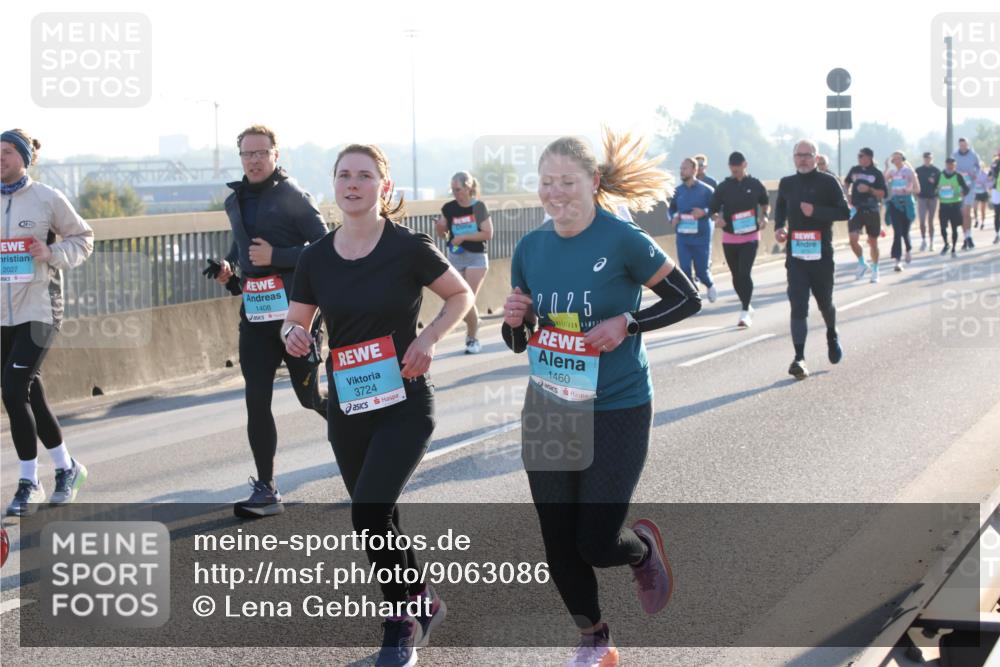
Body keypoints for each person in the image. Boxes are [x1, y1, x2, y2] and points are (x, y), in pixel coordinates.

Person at [503, 129, 701, 667]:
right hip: (550, 405)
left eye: (567, 181)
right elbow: (520, 339)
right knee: (557, 541)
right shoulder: (530, 247)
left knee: (594, 541)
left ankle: (641, 548)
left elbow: (687, 298)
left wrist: (627, 322)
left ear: (593, 182)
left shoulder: (622, 239)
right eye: (547, 182)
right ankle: (595, 639)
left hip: (617, 403)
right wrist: (516, 320)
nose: (555, 192)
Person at [284, 144, 473, 667]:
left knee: (367, 512)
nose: (353, 183)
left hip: (405, 401)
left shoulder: (407, 247)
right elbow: (296, 320)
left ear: (383, 187)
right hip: (348, 405)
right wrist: (291, 335)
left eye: (364, 176)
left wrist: (428, 339)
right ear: (334, 184)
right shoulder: (315, 257)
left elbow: (460, 296)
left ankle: (400, 623)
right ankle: (421, 600)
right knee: (379, 517)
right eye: (344, 175)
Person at [214, 125, 329, 518]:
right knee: (256, 399)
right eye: (247, 154)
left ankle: (361, 436)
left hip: (296, 316)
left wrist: (277, 256)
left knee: (309, 398)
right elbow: (243, 248)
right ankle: (266, 489)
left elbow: (325, 248)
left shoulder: (293, 195)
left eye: (261, 153)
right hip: (256, 318)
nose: (254, 160)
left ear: (275, 155)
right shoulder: (234, 201)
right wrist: (229, 267)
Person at [1, 129, 94, 515]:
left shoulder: (46, 198)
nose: (0, 157)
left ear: (24, 158)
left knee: (12, 389)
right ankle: (67, 467)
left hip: (41, 309)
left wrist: (50, 252)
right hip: (3, 314)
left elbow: (84, 238)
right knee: (29, 393)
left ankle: (30, 482)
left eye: (8, 151)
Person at [774, 139, 851, 380]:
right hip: (796, 256)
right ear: (793, 158)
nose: (803, 159)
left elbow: (845, 212)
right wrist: (779, 228)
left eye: (808, 155)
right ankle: (799, 358)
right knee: (798, 305)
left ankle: (832, 333)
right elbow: (780, 209)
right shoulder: (787, 183)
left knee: (824, 302)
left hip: (821, 256)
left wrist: (816, 211)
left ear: (816, 158)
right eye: (799, 155)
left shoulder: (828, 182)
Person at [434, 171, 494, 354]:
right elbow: (444, 235)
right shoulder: (449, 208)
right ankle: (475, 323)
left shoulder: (479, 207)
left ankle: (472, 338)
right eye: (452, 190)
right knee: (458, 299)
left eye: (458, 189)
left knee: (466, 299)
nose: (455, 193)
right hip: (456, 256)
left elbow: (488, 233)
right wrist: (440, 228)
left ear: (468, 187)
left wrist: (463, 236)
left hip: (476, 257)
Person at [708, 151, 770, 327]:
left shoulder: (755, 184)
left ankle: (744, 311)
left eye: (738, 167)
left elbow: (765, 203)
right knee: (736, 276)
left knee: (744, 272)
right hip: (730, 237)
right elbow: (712, 209)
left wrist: (765, 216)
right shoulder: (724, 186)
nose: (735, 170)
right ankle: (747, 304)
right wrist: (717, 219)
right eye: (732, 168)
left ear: (745, 165)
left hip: (750, 235)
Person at [669, 157, 717, 302]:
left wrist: (704, 212)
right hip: (683, 237)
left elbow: (716, 208)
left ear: (694, 170)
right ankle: (694, 299)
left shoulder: (707, 190)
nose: (681, 171)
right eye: (681, 169)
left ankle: (710, 285)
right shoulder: (677, 191)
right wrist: (673, 217)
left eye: (685, 168)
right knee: (684, 270)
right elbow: (671, 209)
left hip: (701, 237)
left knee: (702, 271)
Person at [844, 147, 886, 283]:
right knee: (852, 239)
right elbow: (846, 182)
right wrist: (847, 194)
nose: (859, 158)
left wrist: (869, 189)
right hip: (856, 209)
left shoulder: (877, 173)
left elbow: (883, 193)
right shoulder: (854, 170)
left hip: (871, 209)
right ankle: (862, 262)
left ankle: (875, 269)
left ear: (869, 157)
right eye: (858, 156)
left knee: (873, 242)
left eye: (861, 156)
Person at [883, 151, 920, 272]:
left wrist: (909, 190)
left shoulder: (909, 172)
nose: (897, 161)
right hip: (895, 203)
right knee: (897, 232)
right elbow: (882, 182)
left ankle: (908, 249)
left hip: (907, 203)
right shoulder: (892, 172)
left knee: (905, 232)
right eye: (894, 159)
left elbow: (917, 189)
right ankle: (897, 260)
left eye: (899, 158)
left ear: (903, 159)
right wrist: (886, 167)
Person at [936, 157, 970, 258]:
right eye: (948, 164)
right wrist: (937, 193)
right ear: (946, 164)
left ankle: (954, 248)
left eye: (952, 165)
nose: (950, 166)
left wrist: (963, 193)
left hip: (955, 204)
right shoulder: (940, 175)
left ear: (955, 165)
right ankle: (946, 243)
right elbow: (933, 187)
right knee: (943, 227)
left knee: (954, 228)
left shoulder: (958, 176)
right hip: (943, 204)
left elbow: (966, 188)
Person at [952, 137, 980, 250]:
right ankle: (965, 238)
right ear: (959, 145)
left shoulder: (973, 155)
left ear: (968, 145)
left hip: (970, 186)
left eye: (965, 145)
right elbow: (951, 168)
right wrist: (958, 173)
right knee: (962, 214)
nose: (963, 147)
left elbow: (978, 167)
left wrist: (975, 174)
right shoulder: (954, 155)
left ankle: (969, 236)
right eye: (961, 145)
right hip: (959, 188)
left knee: (967, 213)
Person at [915, 152, 941, 252]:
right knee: (922, 220)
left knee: (931, 220)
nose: (927, 160)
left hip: (932, 197)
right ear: (923, 159)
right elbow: (914, 182)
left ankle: (931, 242)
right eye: (926, 158)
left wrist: (934, 183)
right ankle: (923, 240)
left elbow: (940, 184)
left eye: (929, 158)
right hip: (921, 197)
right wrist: (915, 192)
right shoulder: (918, 170)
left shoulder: (936, 171)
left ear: (931, 159)